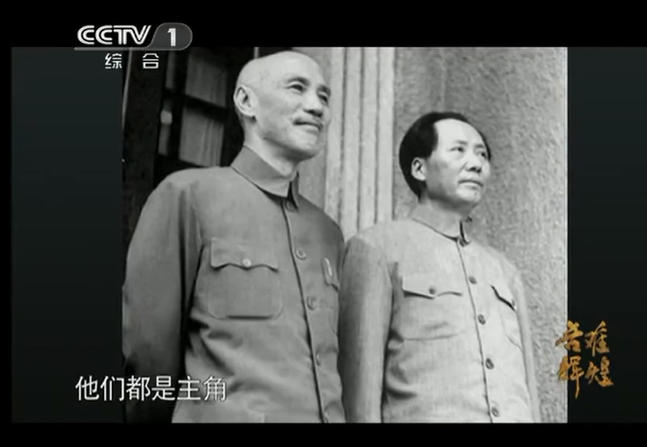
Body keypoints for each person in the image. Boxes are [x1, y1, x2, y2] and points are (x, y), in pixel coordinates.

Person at [122, 51, 345, 423]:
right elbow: (148, 355)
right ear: (246, 101)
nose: (317, 106)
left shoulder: (329, 233)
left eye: (324, 96)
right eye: (297, 88)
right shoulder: (188, 196)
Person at [337, 111, 540, 423]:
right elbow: (359, 394)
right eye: (458, 150)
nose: (476, 164)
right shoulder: (376, 249)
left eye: (482, 154)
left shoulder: (503, 270)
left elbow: (528, 390)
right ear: (419, 168)